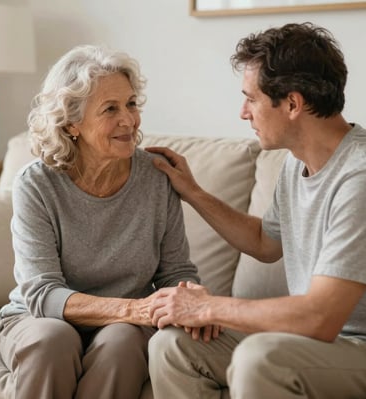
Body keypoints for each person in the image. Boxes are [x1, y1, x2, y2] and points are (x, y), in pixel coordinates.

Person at [147, 22, 366, 399]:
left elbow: (320, 319)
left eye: (251, 98)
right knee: (172, 347)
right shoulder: (296, 163)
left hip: (354, 344)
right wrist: (194, 193)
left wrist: (208, 307)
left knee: (260, 358)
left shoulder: (359, 176)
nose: (243, 113)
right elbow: (266, 242)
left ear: (293, 104)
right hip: (314, 343)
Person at [0, 44, 200, 399]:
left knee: (121, 340)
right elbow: (41, 294)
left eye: (132, 104)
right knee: (52, 340)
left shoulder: (156, 178)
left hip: (125, 326)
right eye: (110, 109)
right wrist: (133, 308)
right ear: (72, 123)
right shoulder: (37, 184)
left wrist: (189, 296)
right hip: (43, 320)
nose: (129, 119)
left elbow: (175, 271)